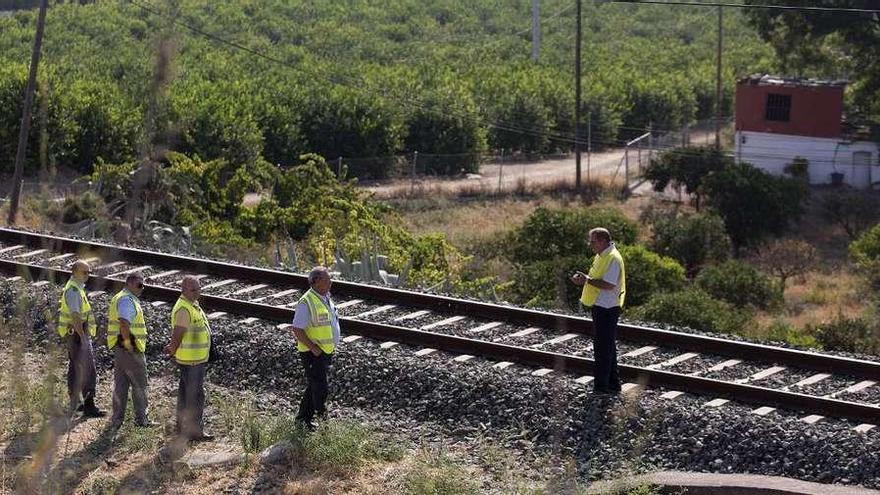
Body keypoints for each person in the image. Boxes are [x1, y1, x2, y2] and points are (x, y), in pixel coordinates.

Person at [570, 227, 626, 394]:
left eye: (593, 241)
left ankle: (601, 387)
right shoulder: (602, 256)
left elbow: (609, 284)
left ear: (602, 241)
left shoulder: (612, 258)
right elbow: (597, 279)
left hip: (608, 308)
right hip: (601, 305)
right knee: (606, 347)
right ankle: (613, 384)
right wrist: (584, 280)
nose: (590, 244)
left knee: (603, 349)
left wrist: (586, 280)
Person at [164, 276, 213, 441]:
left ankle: (181, 427)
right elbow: (178, 332)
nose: (197, 292)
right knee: (195, 396)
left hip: (195, 359)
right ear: (183, 290)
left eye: (199, 289)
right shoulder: (184, 308)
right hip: (191, 360)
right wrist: (172, 349)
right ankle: (193, 431)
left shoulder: (192, 305)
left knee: (185, 394)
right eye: (193, 290)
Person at [291, 266, 340, 430]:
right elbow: (297, 329)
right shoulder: (306, 301)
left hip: (324, 351)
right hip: (313, 353)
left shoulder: (325, 297)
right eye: (327, 279)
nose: (330, 282)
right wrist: (313, 348)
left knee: (314, 385)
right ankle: (324, 423)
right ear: (317, 281)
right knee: (321, 388)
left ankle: (302, 420)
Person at [58, 260, 105, 418]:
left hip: (74, 334)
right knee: (88, 369)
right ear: (75, 272)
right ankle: (88, 405)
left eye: (89, 272)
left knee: (75, 367)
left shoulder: (76, 288)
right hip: (77, 333)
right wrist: (83, 337)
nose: (87, 275)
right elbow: (76, 316)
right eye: (84, 272)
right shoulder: (73, 290)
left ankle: (75, 403)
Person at [108, 272, 155, 428]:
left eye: (143, 285)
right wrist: (128, 344)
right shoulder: (127, 300)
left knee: (121, 385)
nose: (142, 288)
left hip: (121, 348)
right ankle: (142, 420)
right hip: (130, 349)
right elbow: (124, 323)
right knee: (139, 384)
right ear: (129, 284)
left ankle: (116, 420)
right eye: (139, 284)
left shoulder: (122, 297)